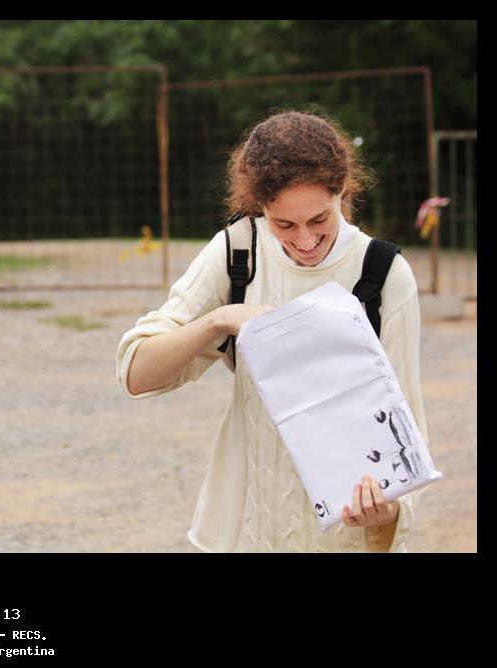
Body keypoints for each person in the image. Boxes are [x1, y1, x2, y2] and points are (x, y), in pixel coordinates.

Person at [116, 110, 430, 552]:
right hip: (245, 532)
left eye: (319, 220)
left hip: (342, 539)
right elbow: (137, 374)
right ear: (260, 206)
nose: (304, 241)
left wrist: (388, 512)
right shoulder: (238, 252)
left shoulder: (385, 275)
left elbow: (407, 432)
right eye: (284, 225)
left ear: (342, 190)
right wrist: (220, 319)